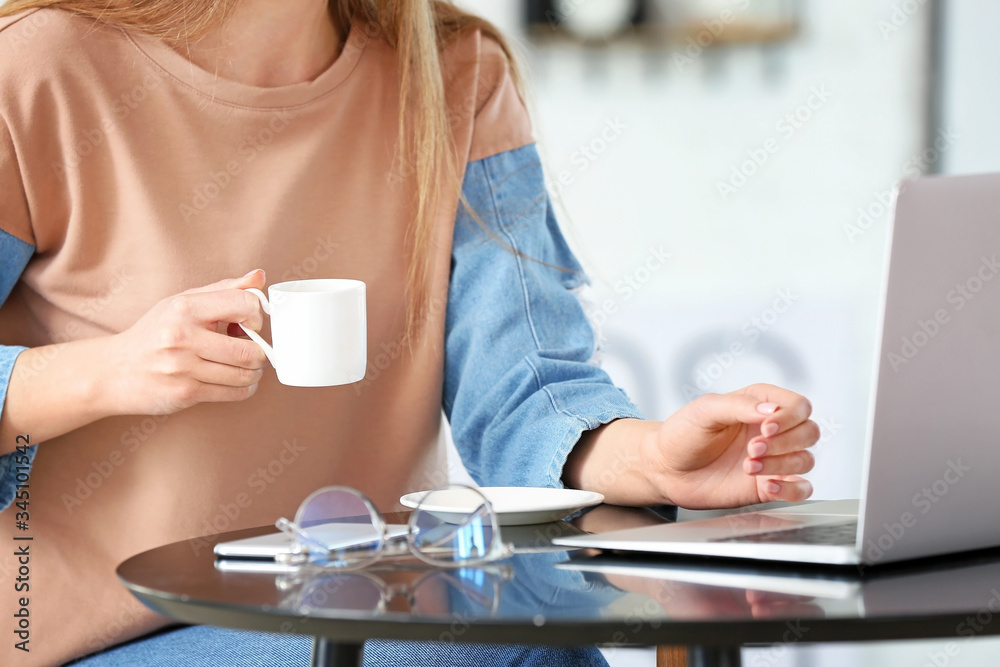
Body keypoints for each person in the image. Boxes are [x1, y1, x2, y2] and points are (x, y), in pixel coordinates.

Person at [0, 0, 819, 664]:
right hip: (96, 629)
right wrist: (109, 370)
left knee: (531, 653)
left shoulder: (455, 72)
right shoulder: (34, 68)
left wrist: (654, 458)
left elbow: (526, 386)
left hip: (367, 606)